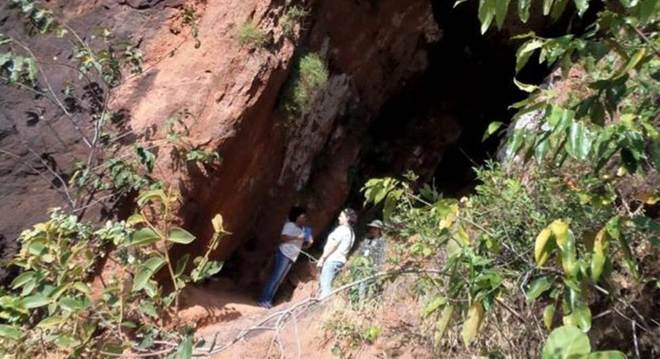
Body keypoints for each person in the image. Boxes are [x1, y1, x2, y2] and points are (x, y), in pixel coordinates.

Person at [258, 206, 313, 309]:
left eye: (305, 217)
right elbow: (282, 238)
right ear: (297, 217)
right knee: (275, 277)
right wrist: (298, 237)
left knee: (279, 279)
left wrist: (309, 242)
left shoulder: (304, 230)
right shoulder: (290, 225)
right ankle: (263, 300)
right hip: (284, 253)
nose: (304, 219)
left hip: (292, 257)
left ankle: (268, 300)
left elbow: (303, 246)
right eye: (303, 216)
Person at [317, 208, 357, 299]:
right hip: (341, 261)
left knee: (325, 286)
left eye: (341, 216)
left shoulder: (342, 229)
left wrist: (322, 258)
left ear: (347, 218)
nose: (338, 218)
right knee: (329, 284)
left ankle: (324, 305)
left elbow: (333, 245)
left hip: (332, 260)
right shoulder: (352, 233)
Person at [356, 219, 386, 300]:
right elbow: (361, 252)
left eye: (375, 228)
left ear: (380, 230)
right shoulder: (368, 240)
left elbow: (381, 256)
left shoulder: (381, 242)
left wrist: (376, 267)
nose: (372, 230)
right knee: (358, 285)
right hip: (362, 267)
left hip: (372, 268)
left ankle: (364, 301)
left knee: (367, 286)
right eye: (372, 228)